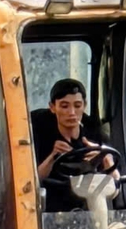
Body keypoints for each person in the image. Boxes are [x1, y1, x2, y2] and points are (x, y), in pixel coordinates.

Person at [35, 78, 115, 214]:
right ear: (52, 107)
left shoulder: (96, 135)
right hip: (50, 209)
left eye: (77, 106)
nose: (72, 113)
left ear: (85, 106)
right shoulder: (39, 135)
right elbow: (33, 180)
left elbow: (116, 184)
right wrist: (53, 156)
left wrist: (105, 157)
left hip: (90, 208)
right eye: (64, 106)